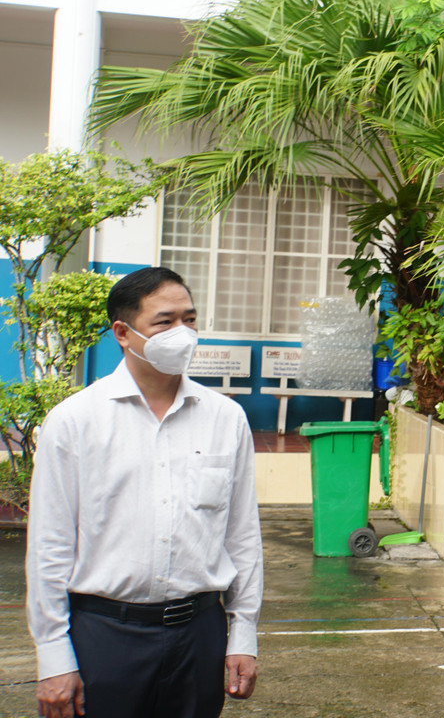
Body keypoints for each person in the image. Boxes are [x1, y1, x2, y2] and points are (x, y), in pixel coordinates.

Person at [26, 266, 264, 718]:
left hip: (199, 634)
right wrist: (54, 657)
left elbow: (242, 536)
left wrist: (243, 634)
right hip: (105, 636)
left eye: (190, 320)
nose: (184, 333)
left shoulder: (224, 418)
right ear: (123, 332)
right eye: (165, 321)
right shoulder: (75, 421)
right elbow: (50, 546)